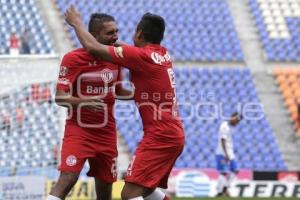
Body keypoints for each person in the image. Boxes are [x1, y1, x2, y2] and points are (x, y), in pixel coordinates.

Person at [65, 6, 185, 200]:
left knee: (129, 194)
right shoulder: (162, 54)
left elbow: (94, 48)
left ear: (139, 33)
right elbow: (121, 48)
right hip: (172, 133)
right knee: (146, 190)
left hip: (160, 136)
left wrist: (76, 23)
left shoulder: (141, 57)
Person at [47, 13, 132, 200]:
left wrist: (140, 95)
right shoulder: (73, 59)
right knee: (67, 179)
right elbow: (60, 97)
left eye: (116, 31)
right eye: (110, 33)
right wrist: (83, 102)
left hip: (107, 133)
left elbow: (117, 90)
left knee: (105, 189)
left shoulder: (115, 58)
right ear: (93, 35)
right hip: (79, 131)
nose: (116, 36)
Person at [215, 112, 242, 197]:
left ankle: (225, 188)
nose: (237, 123)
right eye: (237, 121)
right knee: (223, 172)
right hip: (222, 153)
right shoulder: (224, 126)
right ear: (233, 117)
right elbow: (223, 140)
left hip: (229, 153)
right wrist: (226, 154)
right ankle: (219, 192)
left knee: (235, 170)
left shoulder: (228, 126)